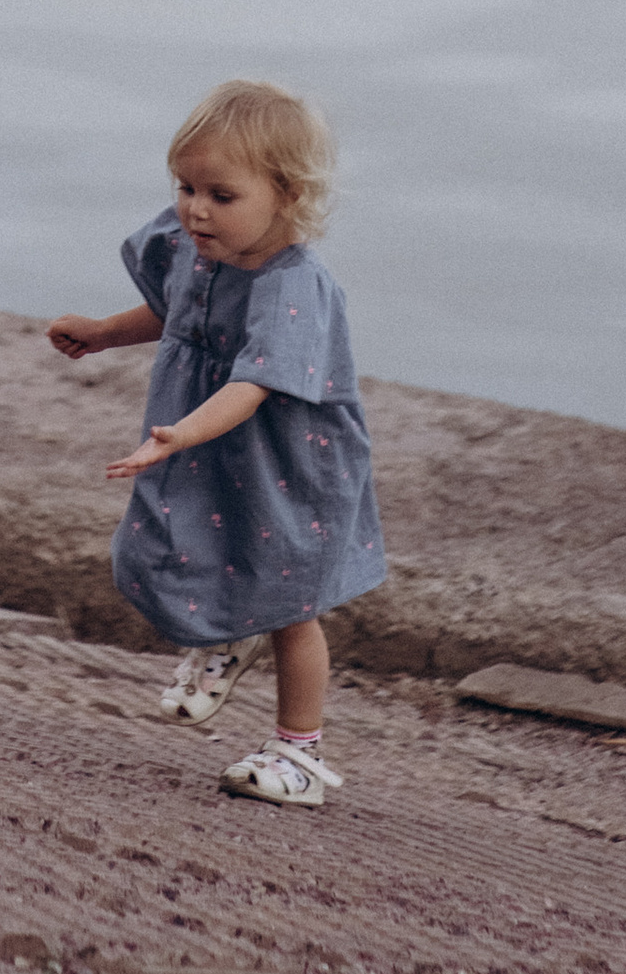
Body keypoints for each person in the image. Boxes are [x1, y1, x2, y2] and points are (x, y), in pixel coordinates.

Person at [46, 79, 386, 809]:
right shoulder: (197, 251)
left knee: (290, 601)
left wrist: (180, 433)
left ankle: (299, 754)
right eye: (186, 186)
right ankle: (229, 635)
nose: (195, 208)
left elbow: (256, 383)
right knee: (157, 547)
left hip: (283, 465)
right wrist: (106, 333)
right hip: (205, 441)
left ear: (287, 195)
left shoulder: (294, 286)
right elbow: (175, 314)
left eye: (221, 195)